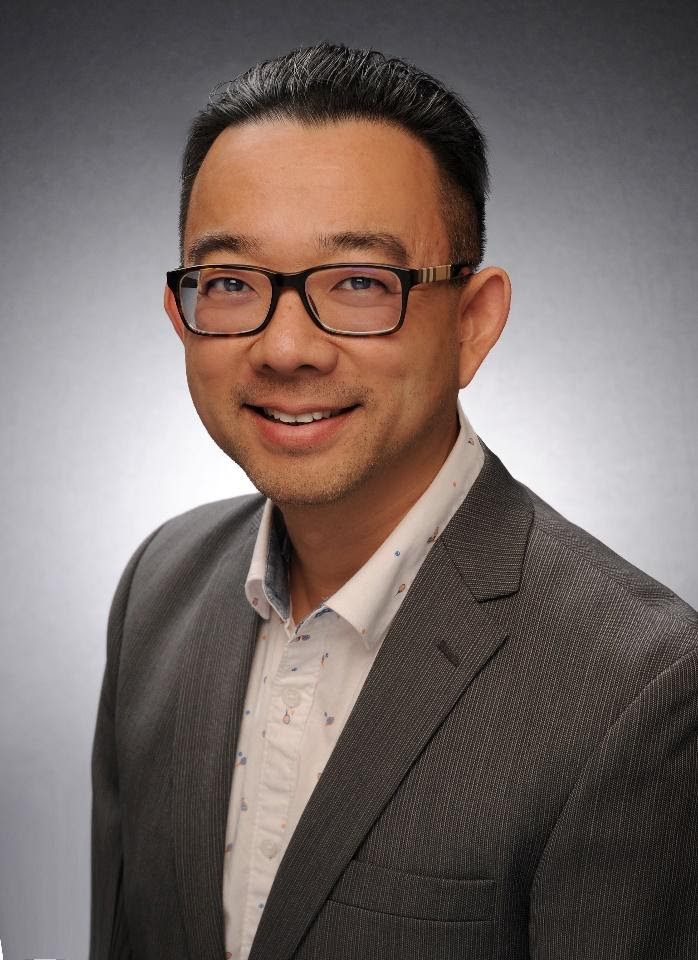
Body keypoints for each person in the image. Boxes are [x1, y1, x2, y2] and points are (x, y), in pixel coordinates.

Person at [90, 43, 697, 960]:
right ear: (182, 313)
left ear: (473, 321)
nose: (285, 346)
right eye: (230, 283)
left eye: (360, 284)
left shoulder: (639, 686)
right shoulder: (158, 588)